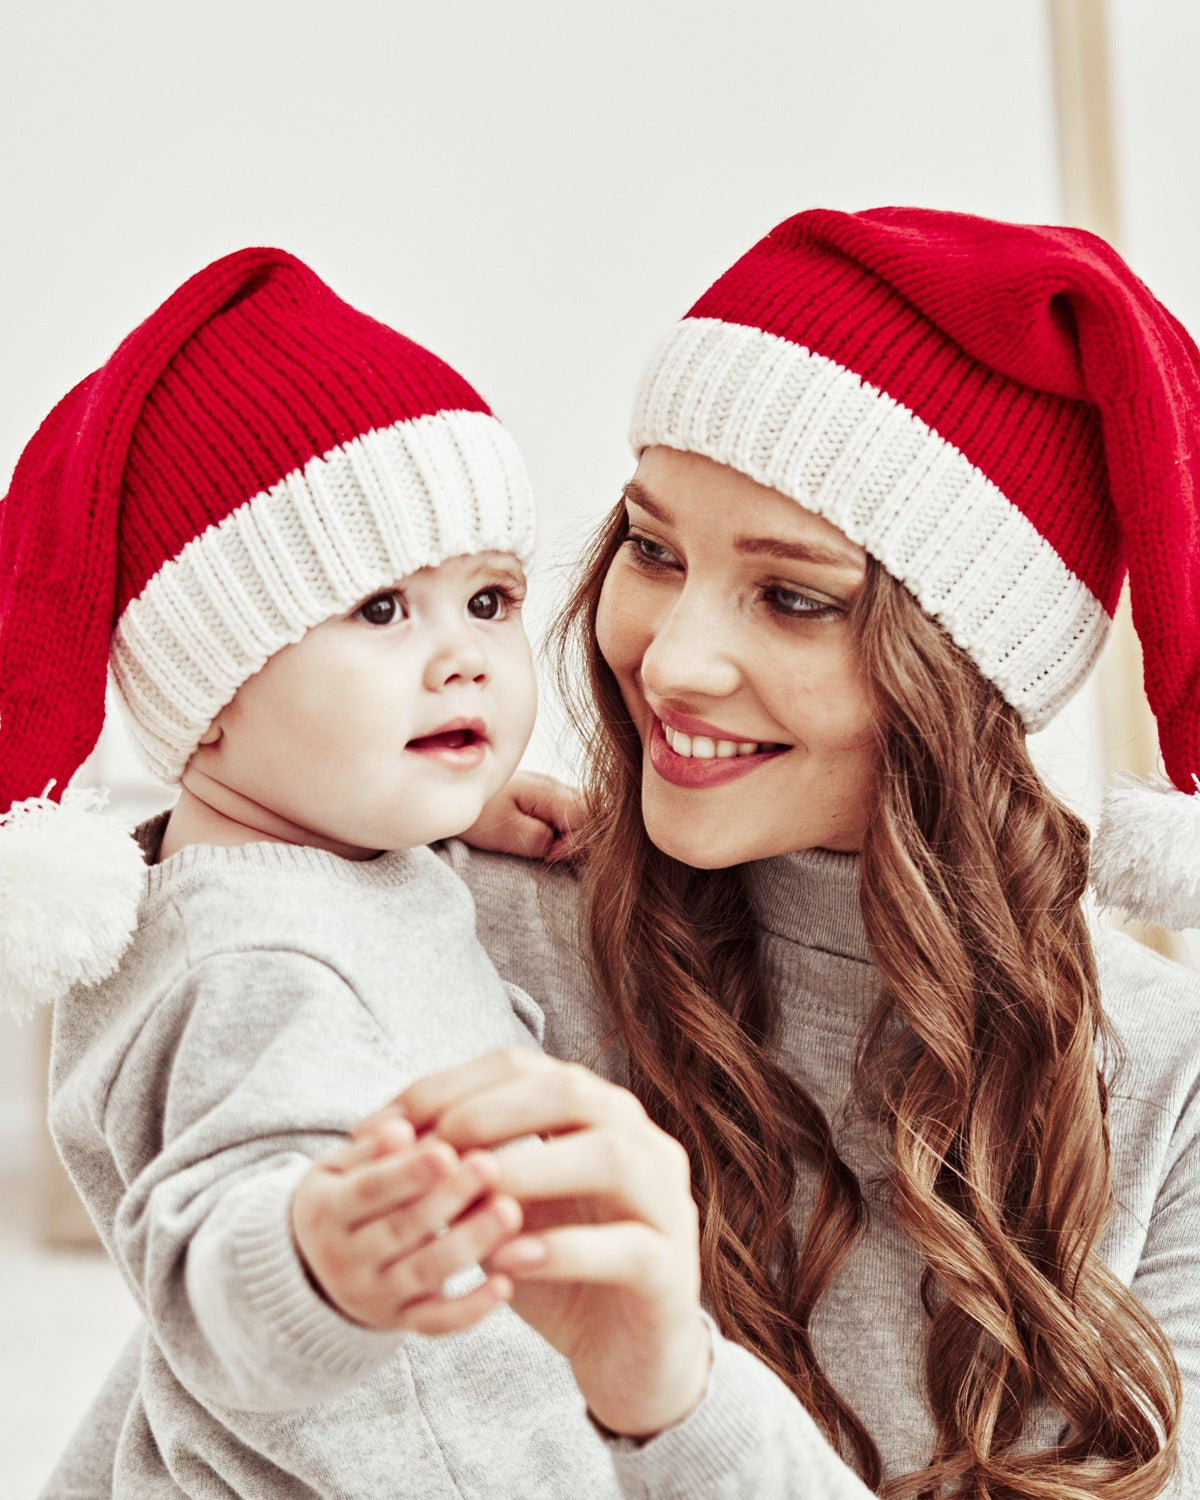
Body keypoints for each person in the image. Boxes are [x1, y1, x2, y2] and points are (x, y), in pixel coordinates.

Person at [37, 209, 1200, 1500]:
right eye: (652, 549)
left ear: (969, 677)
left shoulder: (1166, 1086)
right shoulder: (432, 916)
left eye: (794, 598)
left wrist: (674, 1401)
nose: (671, 659)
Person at [0, 247, 702, 1497]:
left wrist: (439, 820)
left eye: (489, 601)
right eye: (383, 611)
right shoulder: (253, 970)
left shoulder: (307, 862)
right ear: (209, 698)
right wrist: (308, 1254)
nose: (465, 660)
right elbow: (212, 1260)